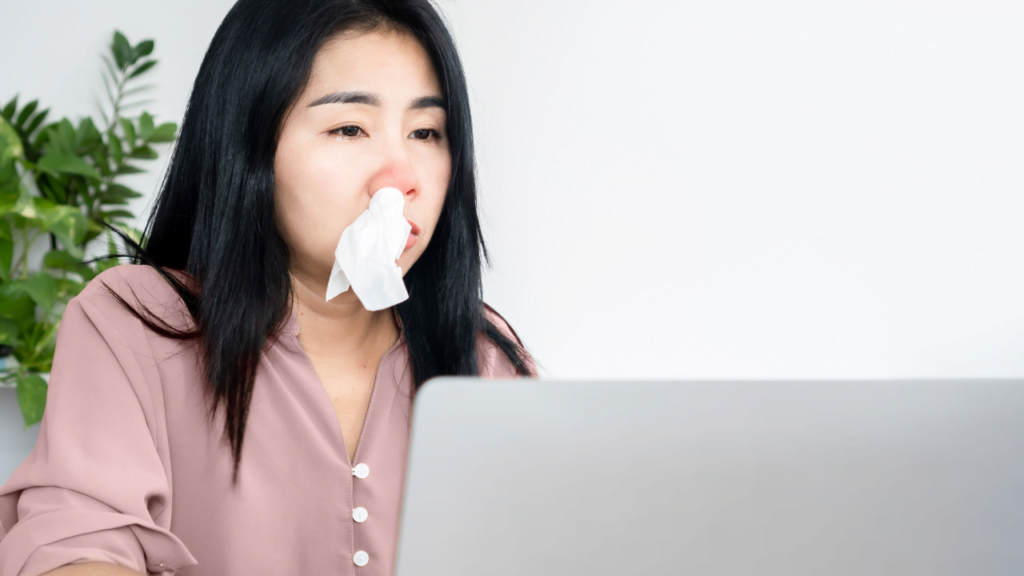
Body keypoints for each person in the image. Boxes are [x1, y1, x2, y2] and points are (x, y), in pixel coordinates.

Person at [0, 0, 537, 574]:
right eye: (349, 129)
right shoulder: (133, 323)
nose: (401, 180)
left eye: (426, 132)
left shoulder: (482, 353)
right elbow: (76, 549)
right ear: (249, 145)